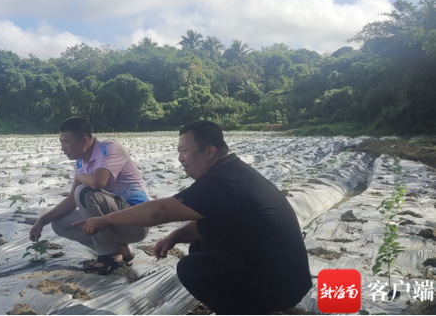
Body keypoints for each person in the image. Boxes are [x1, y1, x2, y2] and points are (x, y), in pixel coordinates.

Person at [75, 120, 312, 314]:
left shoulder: (222, 180)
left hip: (281, 283)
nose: (180, 158)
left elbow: (162, 211)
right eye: (179, 151)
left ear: (209, 152)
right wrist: (176, 236)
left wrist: (105, 220)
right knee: (200, 247)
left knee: (192, 269)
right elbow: (209, 218)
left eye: (184, 151)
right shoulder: (231, 172)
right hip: (288, 278)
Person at [29, 116, 150, 275]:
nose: (62, 148)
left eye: (66, 142)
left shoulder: (108, 148)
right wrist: (42, 220)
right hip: (113, 221)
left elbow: (97, 182)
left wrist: (80, 178)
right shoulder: (81, 163)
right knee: (59, 223)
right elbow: (72, 201)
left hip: (136, 222)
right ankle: (120, 250)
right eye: (61, 142)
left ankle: (109, 254)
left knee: (84, 191)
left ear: (84, 141)